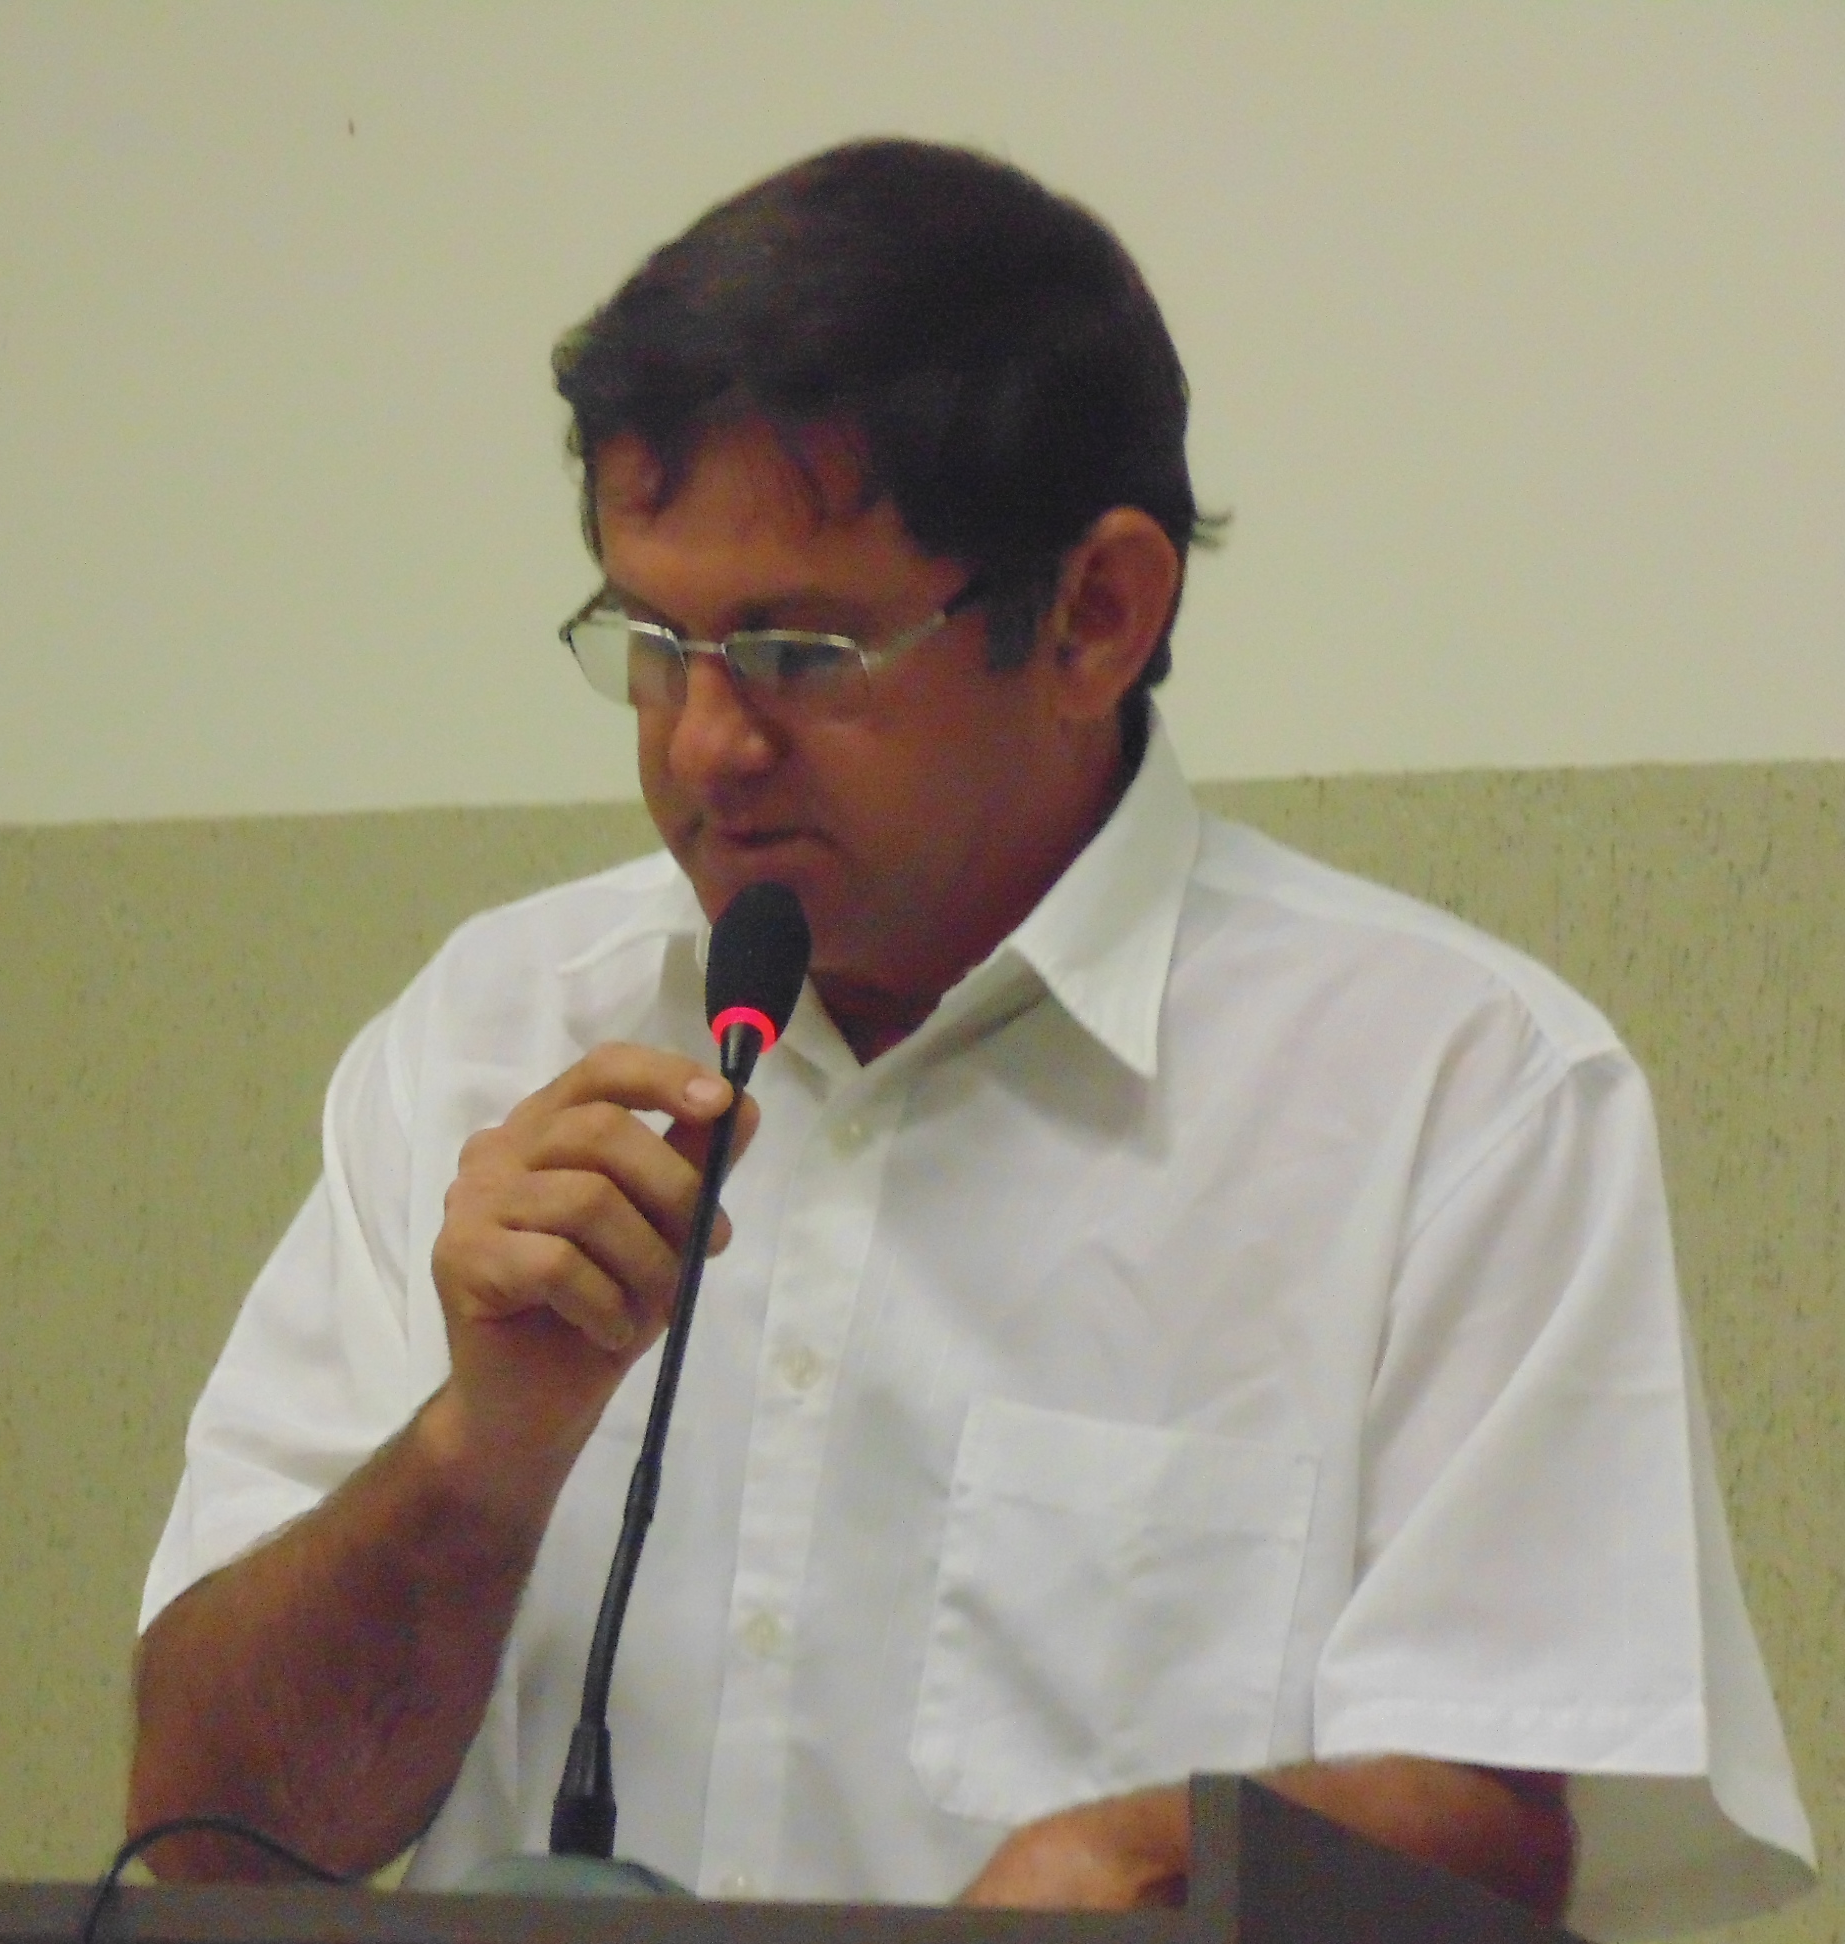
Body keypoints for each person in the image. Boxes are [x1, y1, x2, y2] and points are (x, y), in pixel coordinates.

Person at [128, 140, 1814, 1933]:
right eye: (652, 640)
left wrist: (1145, 1860)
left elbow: (1506, 1825)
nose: (703, 744)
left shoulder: (1455, 1095)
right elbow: (210, 1842)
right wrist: (478, 1455)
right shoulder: (492, 1034)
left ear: (1096, 616)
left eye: (799, 651)